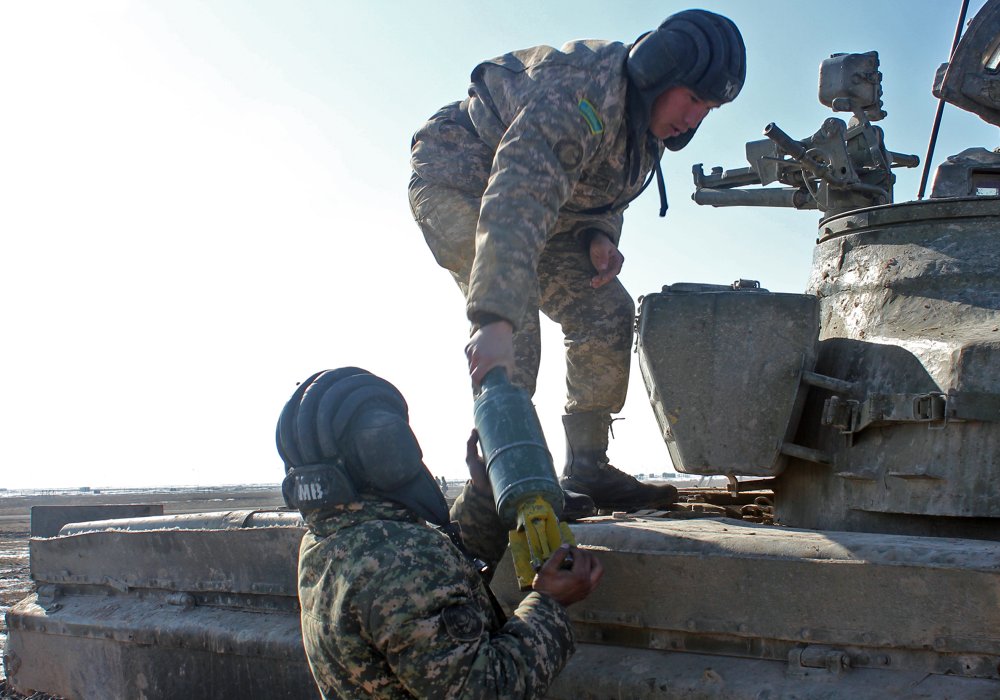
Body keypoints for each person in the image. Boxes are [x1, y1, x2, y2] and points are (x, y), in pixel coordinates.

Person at [408, 9, 747, 512]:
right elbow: (521, 191)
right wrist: (494, 318)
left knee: (605, 308)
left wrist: (597, 236)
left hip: (543, 214)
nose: (694, 117)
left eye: (709, 108)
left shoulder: (645, 130)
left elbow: (600, 194)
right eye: (693, 97)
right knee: (513, 321)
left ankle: (588, 465)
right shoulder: (580, 92)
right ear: (656, 70)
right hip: (461, 184)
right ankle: (511, 480)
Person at [277, 367, 603, 699]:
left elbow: (442, 582)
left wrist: (481, 495)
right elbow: (487, 690)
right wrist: (550, 604)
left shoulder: (328, 543)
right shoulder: (400, 563)